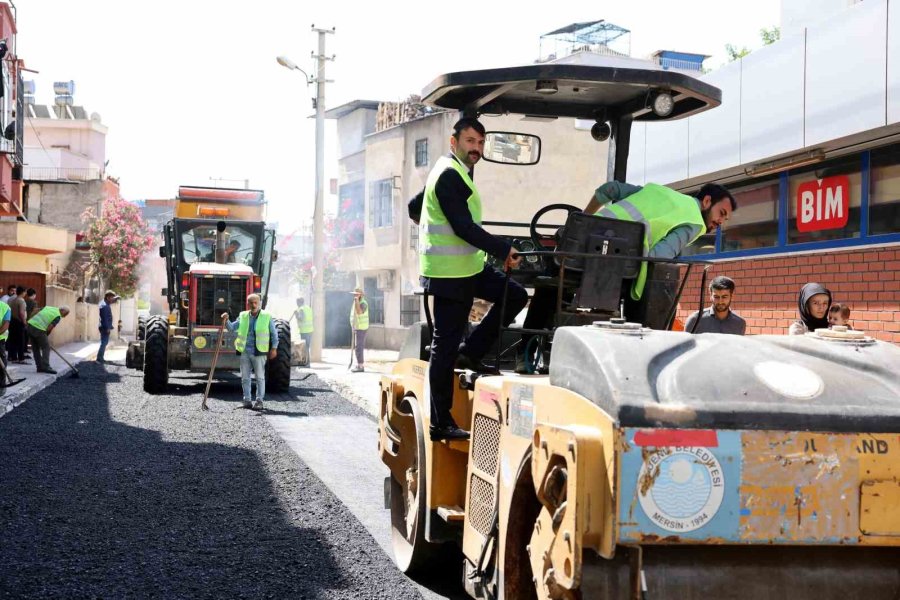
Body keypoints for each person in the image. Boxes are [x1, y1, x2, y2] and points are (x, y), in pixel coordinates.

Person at [519, 181, 737, 371]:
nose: (721, 222)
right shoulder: (694, 222)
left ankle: (524, 355)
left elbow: (609, 189)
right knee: (643, 294)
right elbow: (657, 256)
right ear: (707, 201)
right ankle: (633, 359)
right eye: (722, 214)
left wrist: (582, 220)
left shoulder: (656, 190)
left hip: (577, 255)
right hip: (618, 272)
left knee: (551, 285)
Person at [411, 117, 528, 441]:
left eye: (480, 143)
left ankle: (472, 350)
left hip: (468, 267)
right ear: (454, 143)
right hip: (450, 275)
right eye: (470, 142)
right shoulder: (448, 175)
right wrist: (504, 249)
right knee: (443, 347)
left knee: (514, 295)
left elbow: (413, 207)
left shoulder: (452, 172)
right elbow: (464, 227)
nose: (476, 148)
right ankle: (439, 422)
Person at [222, 293, 277, 410]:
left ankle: (259, 401)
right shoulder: (243, 316)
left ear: (259, 303)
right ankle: (247, 400)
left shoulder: (267, 316)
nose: (253, 305)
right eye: (251, 302)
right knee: (245, 378)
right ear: (248, 304)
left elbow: (274, 334)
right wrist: (226, 320)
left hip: (259, 352)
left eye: (256, 302)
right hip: (245, 352)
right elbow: (232, 328)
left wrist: (274, 348)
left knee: (260, 377)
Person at [27, 305, 70, 374]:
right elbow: (50, 327)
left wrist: (29, 320)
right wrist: (45, 335)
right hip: (39, 329)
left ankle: (39, 367)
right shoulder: (57, 316)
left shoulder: (48, 307)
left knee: (36, 348)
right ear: (62, 310)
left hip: (30, 326)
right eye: (66, 313)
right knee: (46, 347)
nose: (65, 316)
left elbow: (35, 310)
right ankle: (46, 366)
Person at [350, 288, 369, 373]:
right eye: (354, 294)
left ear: (360, 295)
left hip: (362, 327)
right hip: (357, 327)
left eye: (356, 294)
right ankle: (359, 364)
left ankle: (360, 365)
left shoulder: (363, 303)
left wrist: (357, 300)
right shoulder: (356, 302)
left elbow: (359, 312)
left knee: (359, 347)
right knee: (357, 347)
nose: (355, 296)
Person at [7, 286, 27, 363]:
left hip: (11, 321)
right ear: (23, 292)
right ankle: (21, 358)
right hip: (19, 322)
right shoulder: (21, 301)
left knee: (12, 340)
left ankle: (12, 357)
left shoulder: (12, 300)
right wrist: (24, 322)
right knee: (21, 341)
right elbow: (21, 313)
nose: (25, 293)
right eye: (25, 292)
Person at [97, 290, 119, 363]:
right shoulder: (105, 306)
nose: (113, 299)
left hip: (104, 326)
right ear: (108, 297)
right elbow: (105, 318)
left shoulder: (106, 303)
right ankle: (99, 359)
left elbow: (113, 301)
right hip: (105, 327)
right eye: (112, 297)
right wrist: (107, 328)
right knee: (104, 343)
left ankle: (101, 358)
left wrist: (117, 298)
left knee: (104, 343)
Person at [291, 297, 313, 365]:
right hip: (310, 330)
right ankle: (307, 362)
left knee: (305, 348)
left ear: (299, 302)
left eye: (297, 302)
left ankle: (306, 363)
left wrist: (296, 314)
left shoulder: (301, 309)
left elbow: (301, 318)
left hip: (304, 331)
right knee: (307, 347)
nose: (296, 304)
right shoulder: (308, 308)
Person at [0, 298, 10, 367]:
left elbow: (5, 325)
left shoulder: (5, 307)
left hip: (0, 337)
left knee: (1, 357)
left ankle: (2, 377)